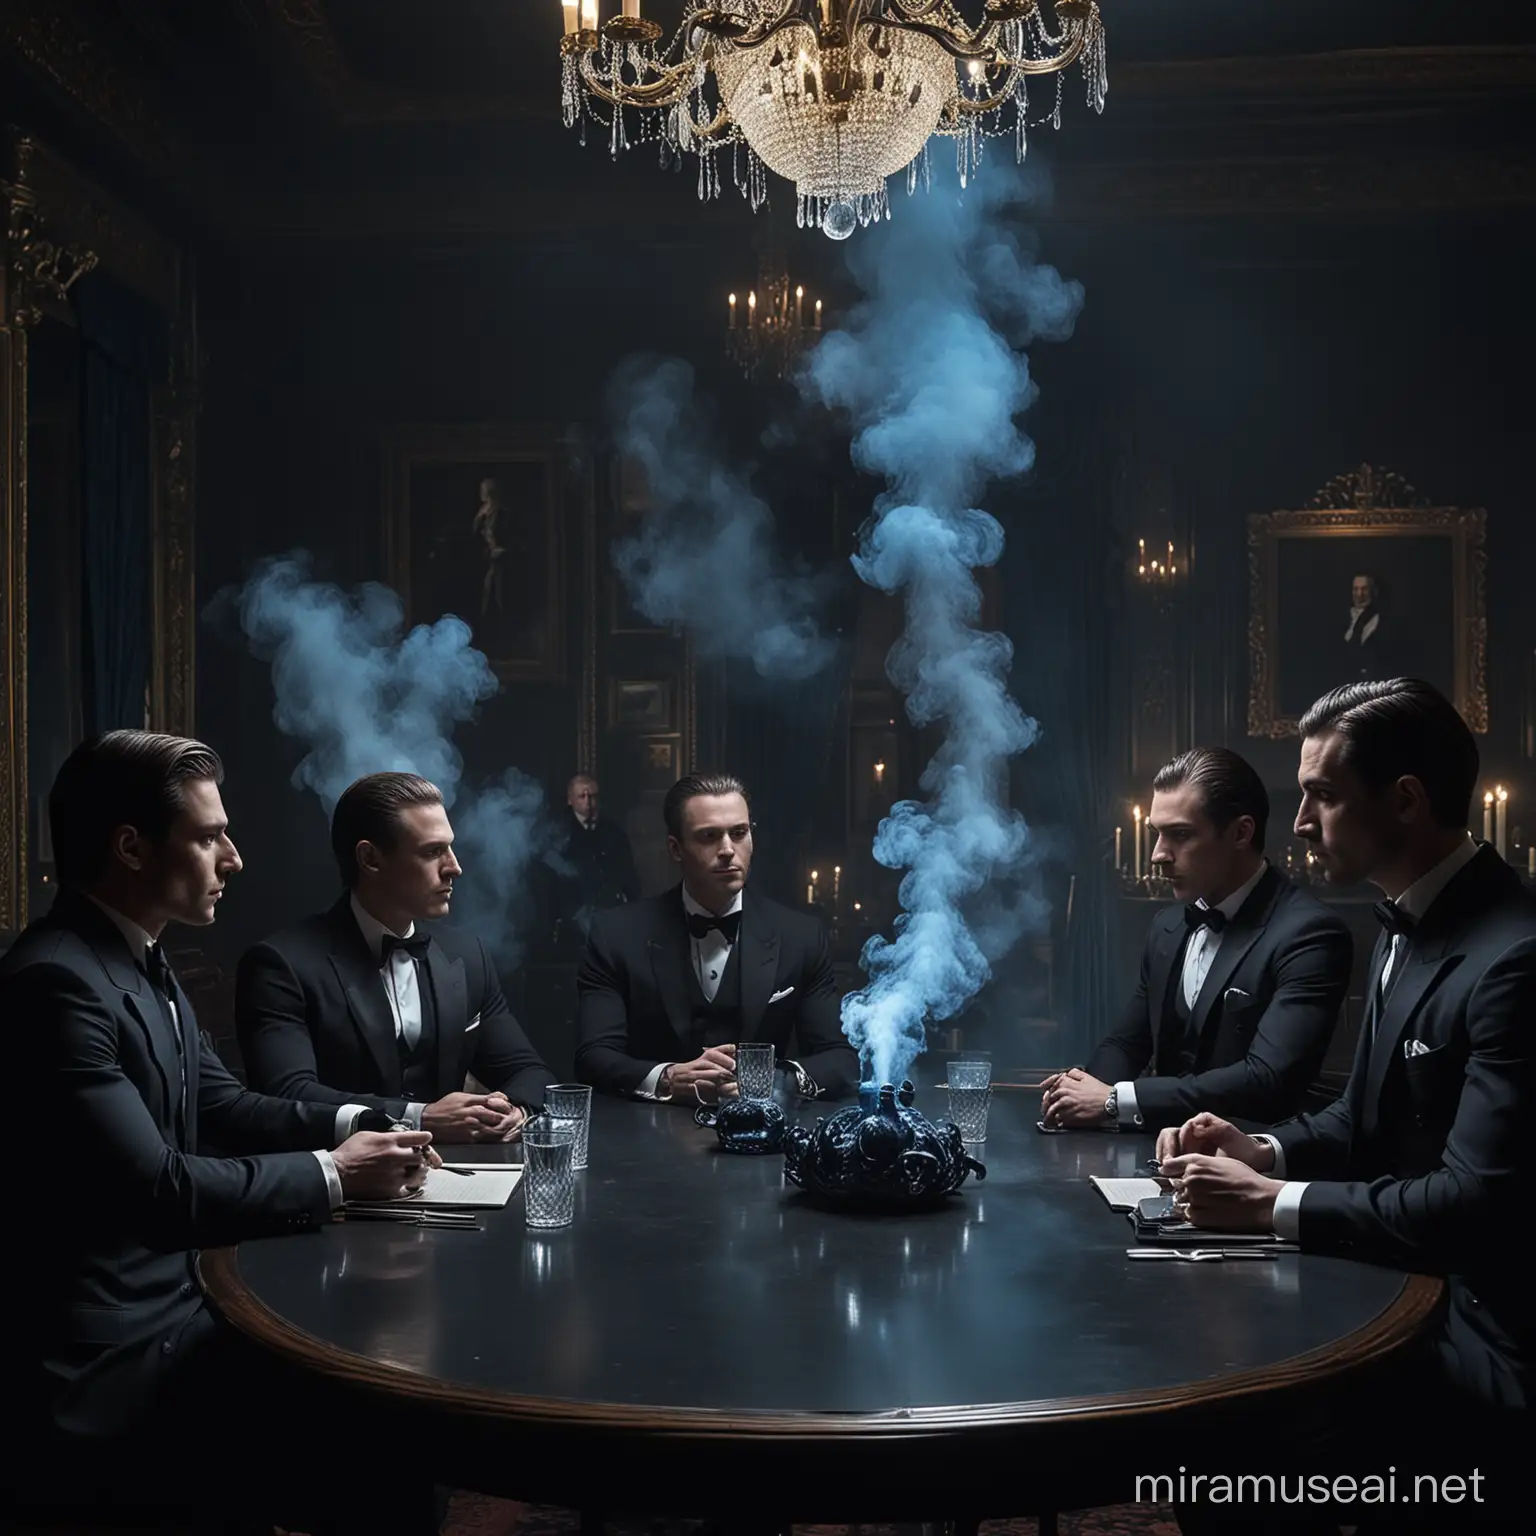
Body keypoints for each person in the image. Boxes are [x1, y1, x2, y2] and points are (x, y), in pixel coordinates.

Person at [0, 731, 439, 1531]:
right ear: (131, 847)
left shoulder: (138, 957)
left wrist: (379, 1121)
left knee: (384, 1391)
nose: (233, 858)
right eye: (208, 837)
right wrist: (337, 1175)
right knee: (382, 1427)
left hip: (178, 1305)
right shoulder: (56, 983)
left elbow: (227, 1106)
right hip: (107, 1356)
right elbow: (159, 1190)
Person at [1159, 680, 1533, 1527]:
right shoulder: (1401, 921)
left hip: (1481, 1334)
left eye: (1321, 794)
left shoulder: (1514, 956)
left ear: (1404, 800)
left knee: (1221, 1441)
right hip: (1400, 1283)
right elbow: (1362, 1116)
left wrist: (1272, 1204)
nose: (1297, 821)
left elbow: (1476, 1202)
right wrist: (1267, 1152)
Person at [1041, 748, 1350, 1133]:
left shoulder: (1311, 933)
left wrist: (1112, 1101)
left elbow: (1267, 1079)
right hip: (1155, 1153)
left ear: (1241, 832)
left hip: (1251, 1165)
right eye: (1157, 834)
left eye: (1181, 835)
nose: (1157, 855)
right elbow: (1126, 1043)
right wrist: (1079, 1094)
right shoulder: (1167, 925)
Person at [237, 771, 554, 1139]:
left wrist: (513, 1110)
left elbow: (531, 1073)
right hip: (335, 1184)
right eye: (432, 852)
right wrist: (420, 1117)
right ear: (370, 858)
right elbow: (288, 1094)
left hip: (457, 1179)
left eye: (449, 848)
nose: (454, 866)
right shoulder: (280, 965)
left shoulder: (467, 955)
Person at [575, 772, 859, 1103]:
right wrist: (666, 1078)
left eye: (739, 833)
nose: (727, 850)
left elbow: (841, 1059)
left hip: (764, 1142)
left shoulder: (802, 937)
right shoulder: (616, 935)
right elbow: (593, 1057)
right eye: (708, 836)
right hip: (646, 1141)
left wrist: (778, 1081)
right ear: (675, 849)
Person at [553, 772, 641, 939]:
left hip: (608, 915)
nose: (588, 802)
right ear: (570, 800)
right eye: (581, 796)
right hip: (569, 919)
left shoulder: (614, 833)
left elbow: (628, 874)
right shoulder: (558, 832)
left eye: (592, 796)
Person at [1343, 570, 1386, 681]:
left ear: (1374, 591)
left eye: (1364, 589)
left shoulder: (1385, 622)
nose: (1359, 594)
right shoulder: (1342, 619)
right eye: (1356, 589)